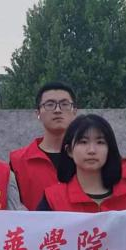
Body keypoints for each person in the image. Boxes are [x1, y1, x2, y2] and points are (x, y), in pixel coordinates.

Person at [36, 114, 126, 212]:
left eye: (100, 142)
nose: (92, 150)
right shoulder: (53, 199)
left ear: (109, 149)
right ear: (69, 150)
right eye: (83, 142)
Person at [9, 81, 78, 210]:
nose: (57, 110)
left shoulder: (88, 157)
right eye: (50, 104)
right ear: (38, 113)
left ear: (75, 111)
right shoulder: (17, 161)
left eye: (64, 104)